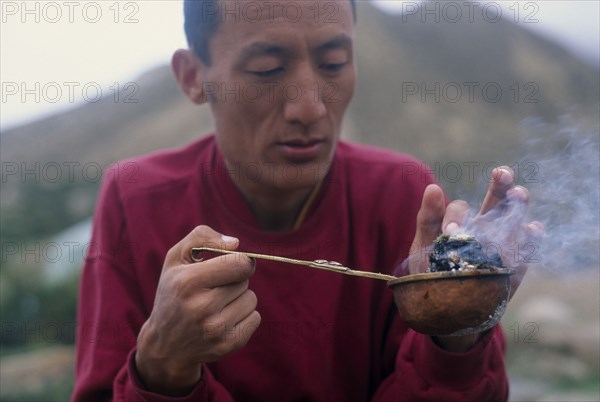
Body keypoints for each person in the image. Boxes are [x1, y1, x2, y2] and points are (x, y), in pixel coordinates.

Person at [71, 0, 542, 400]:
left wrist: (456, 334)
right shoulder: (137, 200)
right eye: (267, 70)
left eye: (334, 63)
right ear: (194, 77)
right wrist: (161, 367)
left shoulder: (402, 194)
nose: (310, 108)